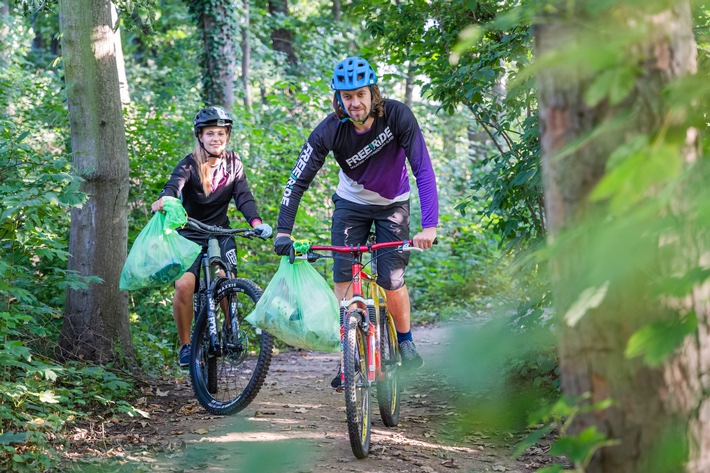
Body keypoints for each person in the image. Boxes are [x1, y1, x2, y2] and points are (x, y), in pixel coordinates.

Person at [273, 56, 438, 385]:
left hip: (393, 204)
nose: (354, 103)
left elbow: (423, 168)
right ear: (338, 99)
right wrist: (283, 231)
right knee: (344, 278)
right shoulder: (330, 130)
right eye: (347, 97)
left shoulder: (397, 116)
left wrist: (430, 226)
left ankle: (404, 341)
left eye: (360, 94)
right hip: (351, 204)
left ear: (373, 94)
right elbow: (297, 180)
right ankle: (347, 357)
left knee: (391, 279)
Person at [151, 106, 272, 368]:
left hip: (221, 232)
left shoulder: (234, 163)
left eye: (220, 133)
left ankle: (231, 330)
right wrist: (166, 199)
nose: (215, 138)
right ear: (200, 137)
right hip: (190, 233)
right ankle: (186, 346)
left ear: (227, 136)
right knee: (184, 285)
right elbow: (174, 184)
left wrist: (256, 222)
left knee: (226, 282)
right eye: (210, 133)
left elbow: (243, 196)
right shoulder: (189, 163)